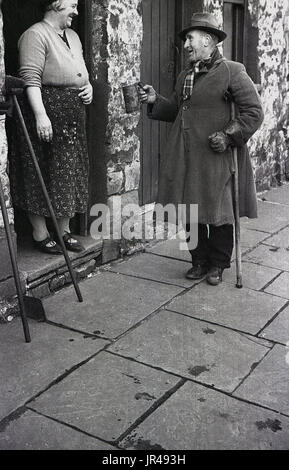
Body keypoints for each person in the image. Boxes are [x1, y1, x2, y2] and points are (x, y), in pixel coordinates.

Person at [139, 12, 264, 286]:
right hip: (185, 154)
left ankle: (218, 264)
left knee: (218, 211)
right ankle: (199, 260)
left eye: (190, 39)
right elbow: (177, 109)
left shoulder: (232, 71)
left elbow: (253, 112)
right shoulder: (186, 74)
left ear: (207, 40)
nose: (185, 45)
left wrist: (229, 135)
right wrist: (155, 100)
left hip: (216, 154)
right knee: (189, 208)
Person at [9, 0, 93, 254]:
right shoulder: (35, 35)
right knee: (39, 171)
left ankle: (63, 230)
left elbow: (79, 71)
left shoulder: (73, 36)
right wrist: (41, 116)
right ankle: (40, 232)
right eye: (72, 5)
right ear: (56, 4)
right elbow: (30, 79)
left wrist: (87, 87)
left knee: (67, 171)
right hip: (46, 111)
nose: (76, 12)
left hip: (72, 116)